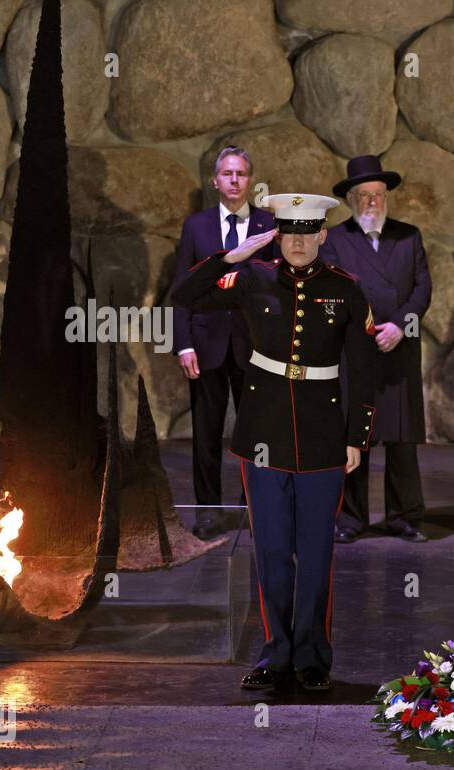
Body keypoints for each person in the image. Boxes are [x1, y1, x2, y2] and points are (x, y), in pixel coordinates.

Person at [171, 193, 376, 693]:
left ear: (322, 234)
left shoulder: (345, 289)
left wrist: (357, 436)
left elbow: (364, 368)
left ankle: (312, 658)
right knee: (271, 550)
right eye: (289, 233)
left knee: (316, 552)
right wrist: (234, 255)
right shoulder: (253, 278)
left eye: (308, 232)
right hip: (262, 432)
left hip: (323, 434)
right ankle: (276, 654)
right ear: (277, 235)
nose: (299, 243)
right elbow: (186, 293)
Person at [323, 154, 432, 544]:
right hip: (357, 353)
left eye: (379, 194)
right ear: (351, 199)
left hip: (399, 350)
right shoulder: (335, 239)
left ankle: (404, 517)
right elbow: (333, 292)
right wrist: (366, 330)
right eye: (365, 195)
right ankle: (350, 518)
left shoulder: (409, 236)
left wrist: (400, 325)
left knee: (402, 440)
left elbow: (422, 288)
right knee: (357, 436)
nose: (373, 202)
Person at [170, 146, 276, 539]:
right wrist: (183, 344)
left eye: (241, 173)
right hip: (206, 344)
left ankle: (257, 507)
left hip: (255, 345)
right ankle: (208, 511)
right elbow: (182, 288)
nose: (234, 180)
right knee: (206, 434)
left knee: (257, 432)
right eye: (227, 173)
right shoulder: (196, 226)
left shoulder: (269, 224)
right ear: (215, 181)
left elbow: (278, 285)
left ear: (250, 179)